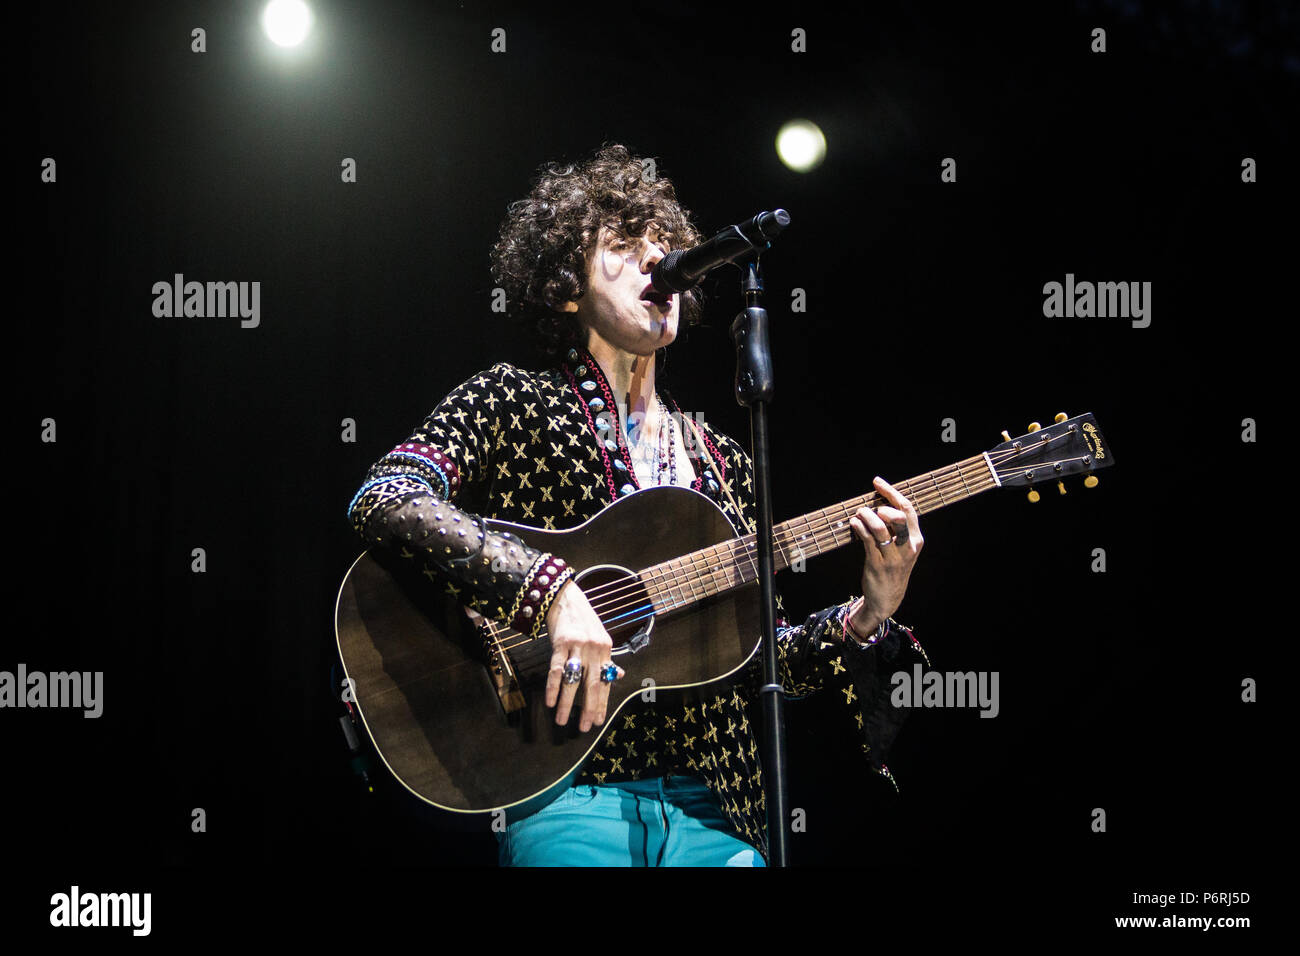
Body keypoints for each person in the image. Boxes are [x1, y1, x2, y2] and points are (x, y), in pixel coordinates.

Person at [346, 143, 929, 866]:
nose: (658, 261)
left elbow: (759, 656)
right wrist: (550, 592)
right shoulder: (512, 400)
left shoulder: (725, 459)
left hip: (720, 811)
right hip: (567, 793)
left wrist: (868, 614)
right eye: (624, 245)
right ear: (566, 288)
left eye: (664, 245)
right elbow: (387, 496)